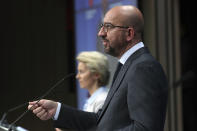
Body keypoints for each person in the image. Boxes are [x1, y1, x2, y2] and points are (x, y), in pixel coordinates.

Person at [28, 5, 168, 131]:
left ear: (129, 34)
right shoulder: (129, 65)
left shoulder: (144, 68)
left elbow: (145, 128)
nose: (101, 33)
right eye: (102, 26)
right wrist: (57, 110)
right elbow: (101, 122)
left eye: (108, 26)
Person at [55, 51, 110, 131]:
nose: (77, 76)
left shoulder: (102, 100)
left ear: (96, 74)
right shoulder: (92, 99)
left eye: (81, 72)